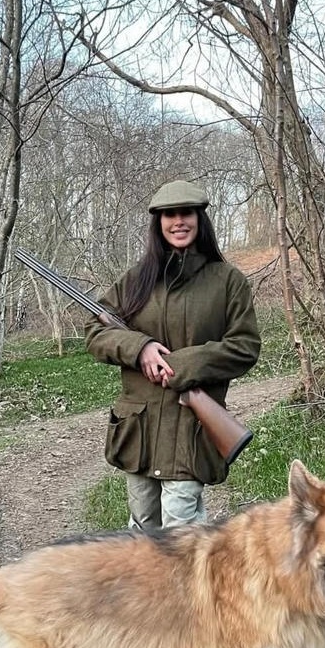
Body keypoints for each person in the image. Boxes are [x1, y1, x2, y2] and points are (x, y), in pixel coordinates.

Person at [85, 179, 261, 532]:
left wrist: (181, 365)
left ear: (199, 220)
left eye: (186, 213)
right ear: (159, 223)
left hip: (190, 430)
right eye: (170, 215)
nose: (178, 221)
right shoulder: (136, 279)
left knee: (181, 533)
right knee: (142, 528)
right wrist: (141, 349)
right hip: (141, 429)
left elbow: (245, 346)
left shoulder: (228, 281)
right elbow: (95, 331)